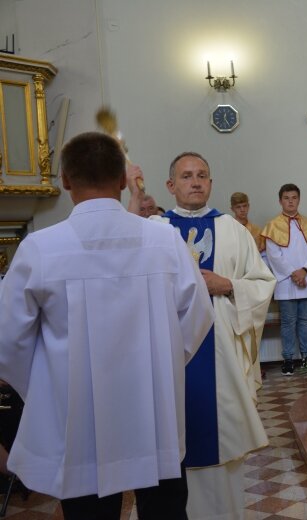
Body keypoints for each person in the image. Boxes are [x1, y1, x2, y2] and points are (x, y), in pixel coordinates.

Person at [0, 132, 214, 519]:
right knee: (164, 510)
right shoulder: (164, 240)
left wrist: (50, 388)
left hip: (76, 416)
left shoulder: (40, 248)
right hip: (156, 409)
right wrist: (163, 365)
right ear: (122, 180)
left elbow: (8, 341)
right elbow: (198, 315)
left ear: (64, 179)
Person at [130, 151, 277, 520]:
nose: (195, 182)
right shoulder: (153, 230)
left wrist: (226, 284)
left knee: (220, 453)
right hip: (166, 353)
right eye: (186, 176)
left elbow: (262, 282)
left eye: (202, 175)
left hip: (221, 354)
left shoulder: (233, 229)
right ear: (170, 185)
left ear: (210, 183)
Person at [261, 184, 307, 376]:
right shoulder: (272, 226)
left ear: (299, 199)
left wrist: (304, 270)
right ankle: (288, 358)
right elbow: (274, 255)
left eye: (294, 197)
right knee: (288, 321)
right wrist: (293, 274)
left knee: (305, 320)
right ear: (280, 201)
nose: (290, 201)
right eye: (286, 198)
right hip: (286, 282)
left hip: (306, 280)